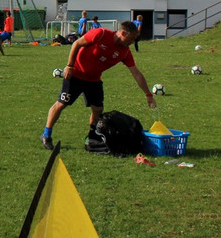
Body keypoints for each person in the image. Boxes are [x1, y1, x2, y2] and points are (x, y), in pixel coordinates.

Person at [40, 20, 155, 151]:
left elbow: (136, 73)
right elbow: (76, 44)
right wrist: (70, 66)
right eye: (132, 38)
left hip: (94, 80)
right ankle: (46, 135)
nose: (133, 42)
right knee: (61, 104)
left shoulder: (125, 52)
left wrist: (148, 94)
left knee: (98, 109)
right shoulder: (100, 34)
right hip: (75, 75)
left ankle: (91, 138)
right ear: (123, 33)